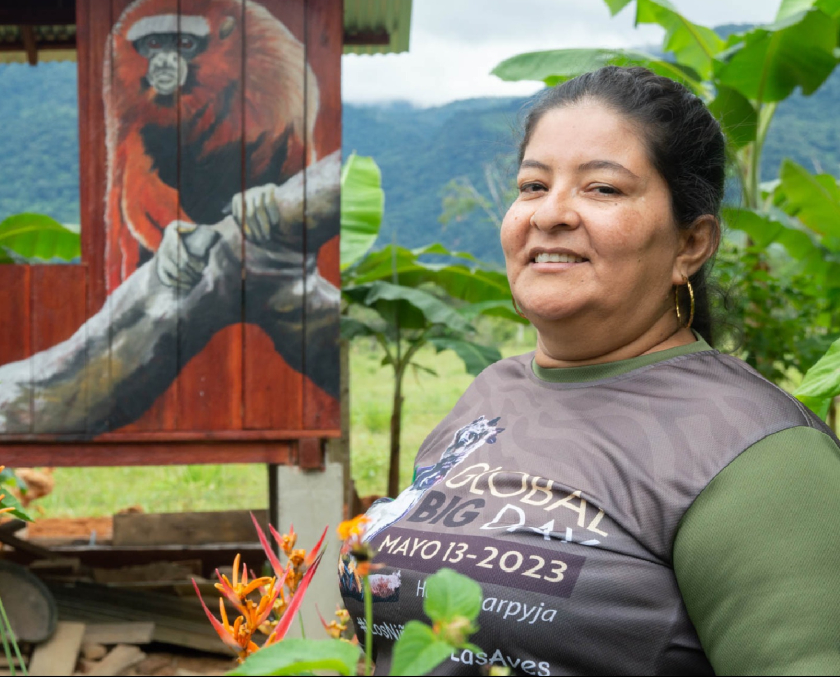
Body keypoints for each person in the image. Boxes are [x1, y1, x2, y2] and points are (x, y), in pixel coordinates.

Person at [339, 66, 840, 675]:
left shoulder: (760, 453)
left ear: (691, 244)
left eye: (602, 189)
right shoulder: (490, 394)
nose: (549, 214)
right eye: (531, 186)